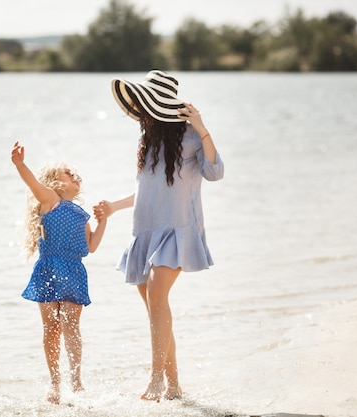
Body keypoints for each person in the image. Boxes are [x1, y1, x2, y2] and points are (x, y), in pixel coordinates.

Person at [94, 70, 224, 402]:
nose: (141, 113)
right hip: (146, 232)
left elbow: (215, 172)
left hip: (177, 231)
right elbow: (145, 192)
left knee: (157, 299)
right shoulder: (146, 142)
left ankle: (155, 380)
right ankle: (175, 385)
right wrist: (112, 208)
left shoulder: (193, 137)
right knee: (157, 309)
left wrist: (202, 126)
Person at [11, 141, 107, 405]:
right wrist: (20, 165)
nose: (75, 177)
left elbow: (92, 246)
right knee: (51, 328)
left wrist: (104, 221)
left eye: (76, 175)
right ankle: (55, 382)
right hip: (49, 268)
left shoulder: (82, 214)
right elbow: (32, 183)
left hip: (74, 269)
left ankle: (76, 381)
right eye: (68, 173)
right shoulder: (50, 200)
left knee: (71, 324)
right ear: (54, 182)